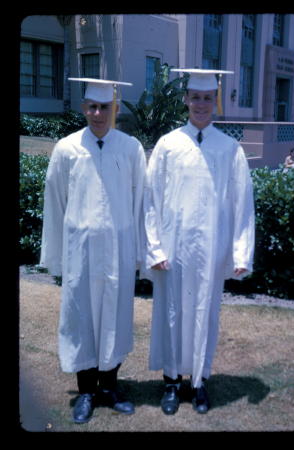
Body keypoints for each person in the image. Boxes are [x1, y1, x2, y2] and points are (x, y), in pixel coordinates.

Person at [143, 68, 255, 415]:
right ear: (186, 100)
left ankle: (200, 381)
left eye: (208, 98)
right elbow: (150, 199)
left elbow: (242, 203)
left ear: (215, 102)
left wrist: (241, 252)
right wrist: (155, 247)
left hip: (210, 250)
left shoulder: (229, 148)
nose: (201, 104)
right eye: (195, 98)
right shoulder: (168, 144)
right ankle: (172, 383)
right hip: (173, 251)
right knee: (172, 315)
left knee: (206, 315)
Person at [40, 77, 146, 423]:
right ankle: (86, 391)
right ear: (84, 107)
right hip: (80, 252)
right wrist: (56, 257)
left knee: (114, 317)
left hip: (117, 250)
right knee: (82, 318)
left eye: (105, 107)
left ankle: (109, 388)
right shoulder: (67, 149)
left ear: (115, 109)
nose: (98, 113)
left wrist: (137, 253)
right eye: (92, 106)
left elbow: (140, 203)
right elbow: (55, 204)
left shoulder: (131, 149)